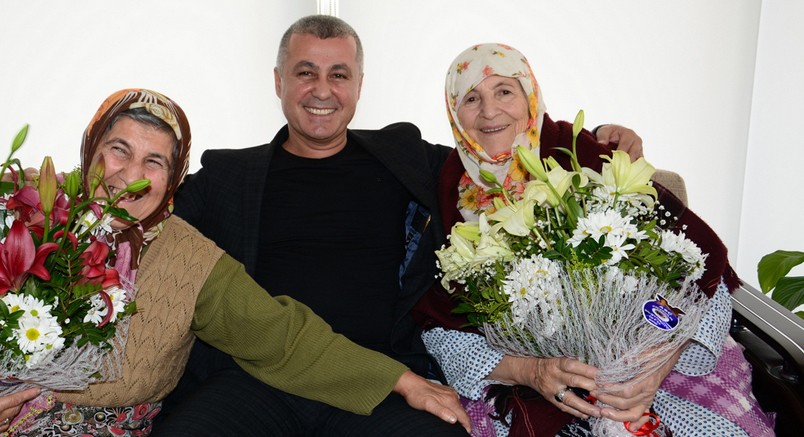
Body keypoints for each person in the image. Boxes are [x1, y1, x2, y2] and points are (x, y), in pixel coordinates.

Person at [0, 88, 471, 437]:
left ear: (174, 178)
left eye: (155, 162)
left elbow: (282, 335)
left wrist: (402, 381)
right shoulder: (22, 209)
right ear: (90, 150)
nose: (130, 176)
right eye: (118, 150)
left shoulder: (188, 259)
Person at [156, 15, 641, 436]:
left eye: (338, 74)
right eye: (305, 73)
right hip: (259, 377)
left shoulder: (404, 157)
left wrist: (596, 140)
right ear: (279, 80)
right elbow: (150, 221)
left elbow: (497, 147)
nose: (322, 90)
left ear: (359, 85)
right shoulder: (226, 176)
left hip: (387, 379)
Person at [411, 43, 775, 436]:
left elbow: (693, 266)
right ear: (454, 112)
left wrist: (655, 363)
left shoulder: (580, 154)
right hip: (531, 386)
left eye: (504, 90)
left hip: (656, 362)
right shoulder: (446, 191)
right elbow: (439, 324)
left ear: (530, 96)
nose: (489, 110)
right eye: (471, 98)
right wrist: (531, 371)